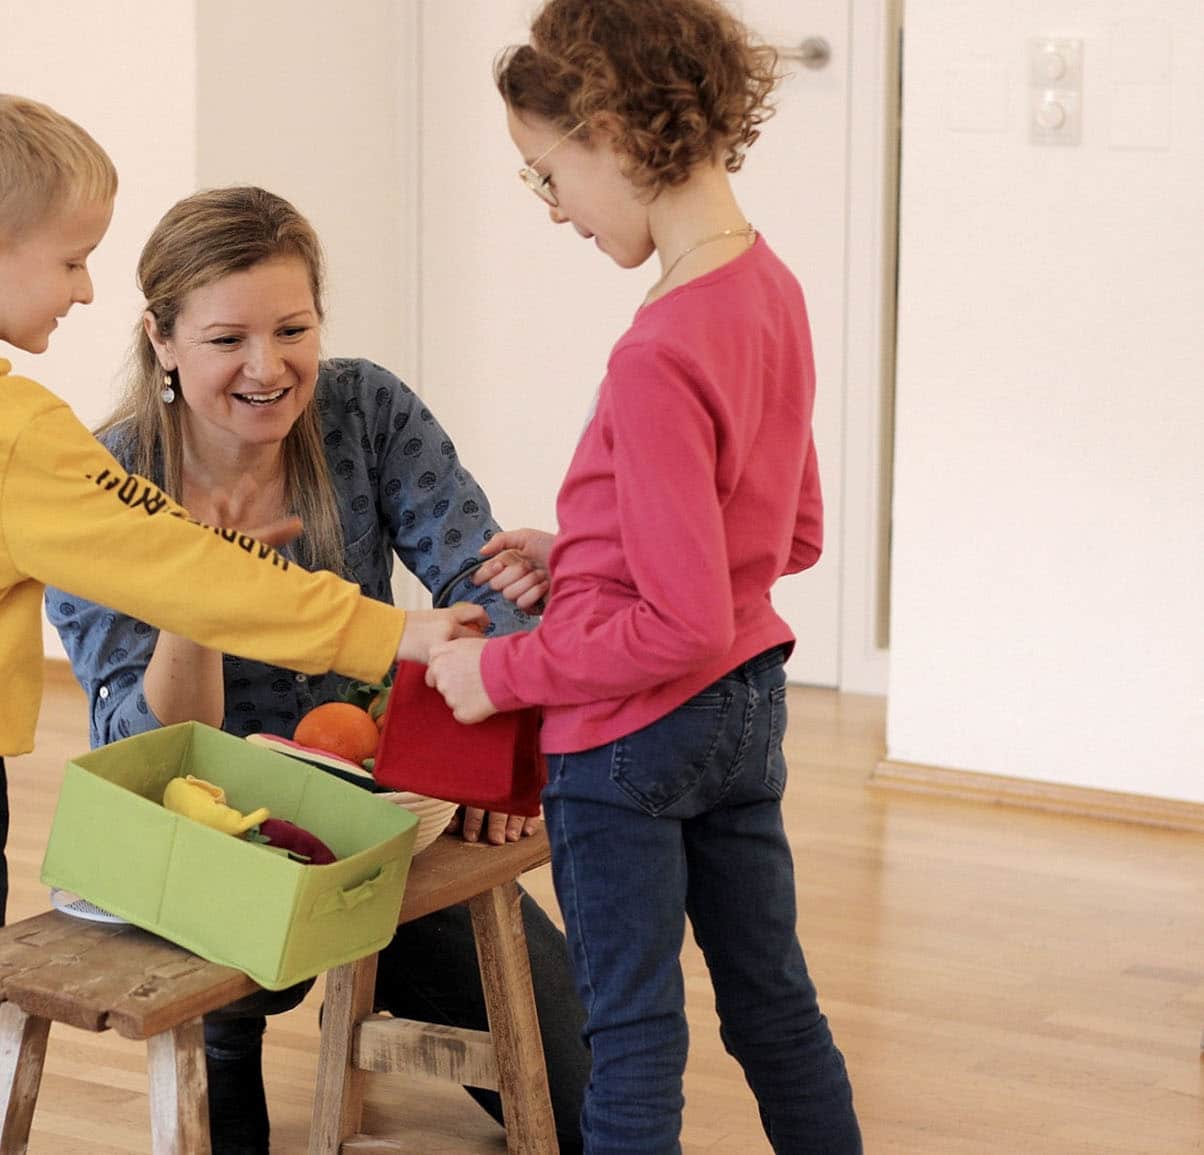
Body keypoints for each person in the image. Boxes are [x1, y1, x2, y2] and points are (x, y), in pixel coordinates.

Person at [0, 94, 483, 1155]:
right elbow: (186, 568)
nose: (89, 287)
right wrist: (392, 636)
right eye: (73, 261)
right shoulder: (8, 427)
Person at [46, 185, 591, 1155]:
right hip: (201, 842)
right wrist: (197, 602)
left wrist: (493, 750)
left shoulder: (365, 409)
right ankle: (230, 1049)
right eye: (227, 340)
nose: (268, 367)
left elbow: (484, 579)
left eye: (293, 329)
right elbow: (150, 748)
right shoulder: (100, 487)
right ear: (162, 341)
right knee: (228, 1029)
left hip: (370, 815)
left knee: (589, 1101)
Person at [423, 3, 864, 1151]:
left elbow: (672, 621)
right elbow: (788, 533)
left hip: (625, 746)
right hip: (743, 715)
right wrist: (591, 546)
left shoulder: (657, 348)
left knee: (630, 1040)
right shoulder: (767, 289)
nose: (555, 207)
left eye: (548, 172)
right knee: (774, 1007)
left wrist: (498, 672)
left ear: (612, 130)